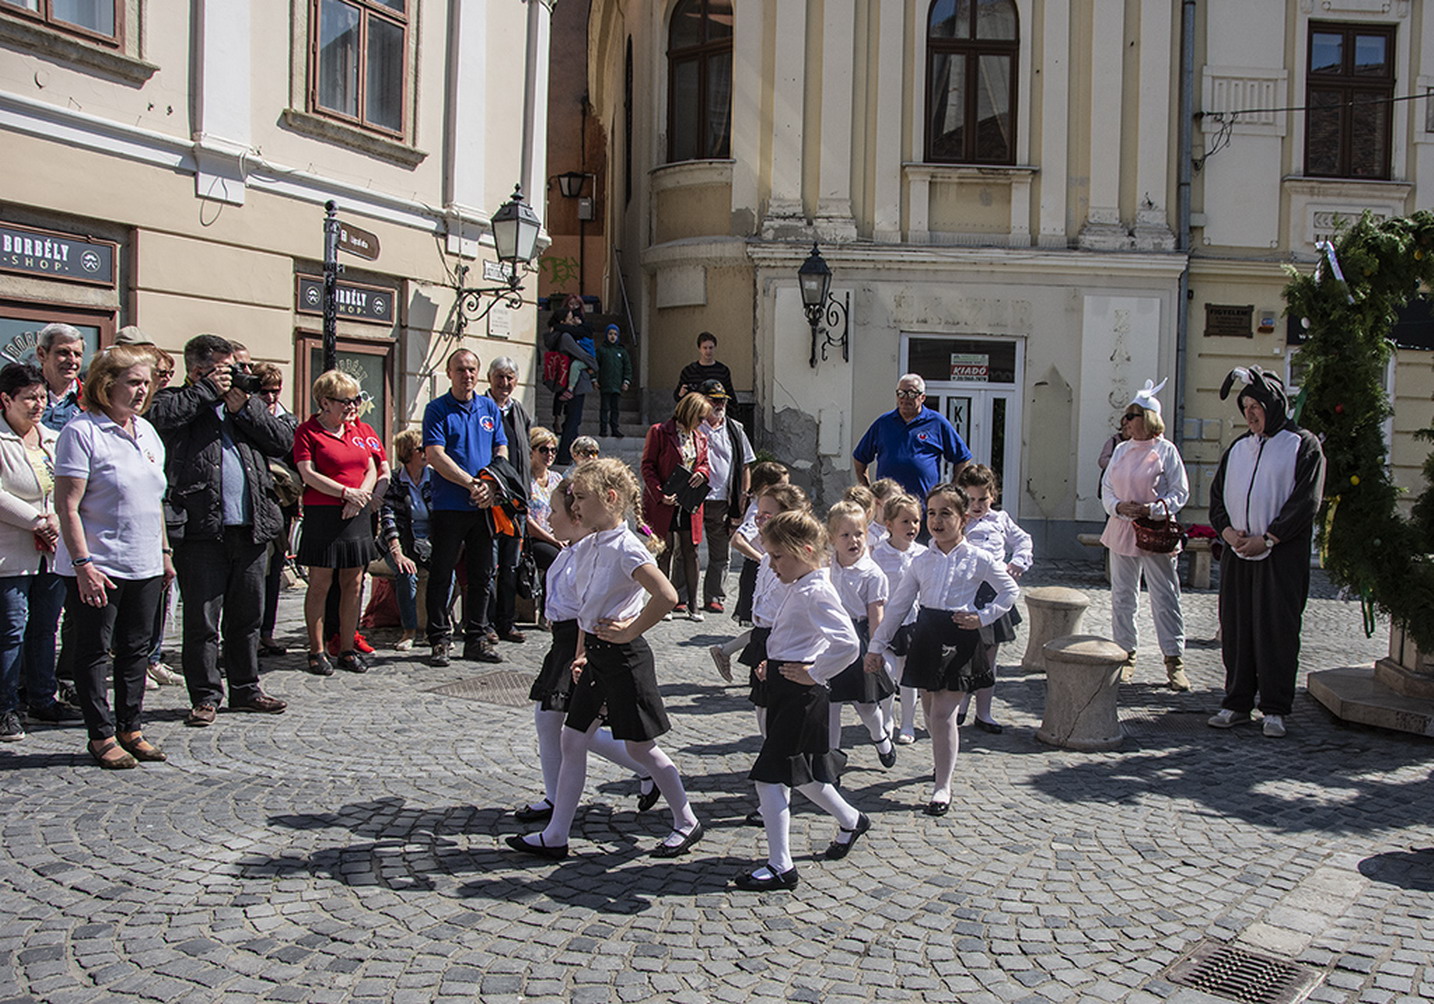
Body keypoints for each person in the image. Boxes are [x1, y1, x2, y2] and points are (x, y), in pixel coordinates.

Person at [505, 459, 701, 861]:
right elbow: (585, 609)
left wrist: (630, 629)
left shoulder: (628, 548)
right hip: (595, 657)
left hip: (626, 659)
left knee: (640, 749)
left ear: (610, 498)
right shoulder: (590, 545)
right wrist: (580, 653)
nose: (574, 506)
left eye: (580, 497)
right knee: (572, 738)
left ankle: (686, 820)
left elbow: (666, 596)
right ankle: (556, 834)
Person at [148, 334, 292, 727]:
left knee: (247, 617)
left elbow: (283, 441)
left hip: (250, 527)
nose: (239, 375)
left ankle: (246, 688)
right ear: (198, 371)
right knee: (202, 620)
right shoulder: (176, 399)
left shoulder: (243, 404)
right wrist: (206, 393)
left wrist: (244, 408)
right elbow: (159, 419)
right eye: (228, 370)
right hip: (200, 529)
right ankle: (206, 695)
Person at [734, 509, 868, 892]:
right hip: (787, 687)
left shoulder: (815, 590)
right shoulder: (800, 584)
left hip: (802, 696)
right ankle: (852, 820)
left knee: (770, 777)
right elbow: (798, 635)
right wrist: (774, 664)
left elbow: (847, 644)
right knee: (803, 773)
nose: (771, 564)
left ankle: (781, 866)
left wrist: (815, 672)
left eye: (777, 556)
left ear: (805, 551)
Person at [53, 345, 174, 768]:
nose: (142, 390)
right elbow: (67, 505)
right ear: (107, 384)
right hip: (98, 563)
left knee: (136, 649)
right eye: (133, 382)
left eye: (146, 383)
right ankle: (100, 734)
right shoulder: (82, 432)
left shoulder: (147, 431)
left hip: (144, 561)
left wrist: (164, 552)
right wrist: (82, 564)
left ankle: (130, 727)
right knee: (93, 650)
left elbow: (153, 500)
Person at [866, 484, 1018, 815]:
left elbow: (1009, 591)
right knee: (930, 708)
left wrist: (982, 617)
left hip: (960, 638)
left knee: (942, 713)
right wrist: (876, 646)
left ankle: (942, 786)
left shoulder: (979, 558)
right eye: (931, 513)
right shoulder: (920, 561)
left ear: (963, 518)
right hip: (927, 635)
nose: (936, 520)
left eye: (945, 513)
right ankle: (942, 757)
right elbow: (898, 606)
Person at [512, 476, 657, 824]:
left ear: (576, 517)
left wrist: (588, 647)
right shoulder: (571, 551)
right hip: (565, 642)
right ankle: (559, 796)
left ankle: (645, 769)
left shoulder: (592, 552)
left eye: (555, 511)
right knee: (558, 723)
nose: (549, 518)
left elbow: (598, 604)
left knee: (570, 727)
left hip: (581, 642)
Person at [1208, 367, 1326, 738]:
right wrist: (1227, 532)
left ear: (1273, 406)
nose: (1250, 414)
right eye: (1245, 408)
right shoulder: (1238, 449)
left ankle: (1275, 708)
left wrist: (1270, 538)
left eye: (1256, 407)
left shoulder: (1302, 445)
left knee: (1276, 629)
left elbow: (1305, 501)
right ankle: (1237, 701)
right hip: (1238, 553)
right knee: (1237, 627)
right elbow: (1217, 498)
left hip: (1279, 557)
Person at [0, 363, 79, 742]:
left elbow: (69, 486)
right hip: (11, 553)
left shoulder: (53, 439)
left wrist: (56, 520)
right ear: (6, 400)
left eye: (42, 397)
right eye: (29, 398)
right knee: (11, 630)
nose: (38, 405)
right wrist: (36, 520)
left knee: (45, 629)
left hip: (52, 550)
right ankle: (5, 707)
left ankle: (42, 698)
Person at [1098, 379, 1191, 690]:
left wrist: (1152, 510)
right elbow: (1107, 488)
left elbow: (1180, 492)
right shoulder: (1121, 450)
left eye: (1131, 416)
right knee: (1123, 596)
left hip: (1154, 531)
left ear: (1147, 418)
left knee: (1165, 595)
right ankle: (1126, 654)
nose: (1125, 422)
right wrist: (1118, 506)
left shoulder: (1166, 451)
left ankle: (1174, 660)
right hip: (1122, 527)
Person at [293, 370, 386, 676]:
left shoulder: (357, 429)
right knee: (320, 583)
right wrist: (345, 493)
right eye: (346, 401)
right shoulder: (308, 431)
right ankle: (316, 650)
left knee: (354, 582)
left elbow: (372, 467)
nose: (352, 406)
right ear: (325, 402)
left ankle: (347, 647)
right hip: (324, 513)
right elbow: (307, 473)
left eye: (356, 400)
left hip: (356, 513)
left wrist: (360, 497)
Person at [423, 349, 509, 667]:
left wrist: (493, 482)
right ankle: (439, 639)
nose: (467, 375)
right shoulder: (437, 409)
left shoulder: (489, 408)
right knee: (442, 572)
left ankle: (476, 637)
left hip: (483, 506)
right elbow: (435, 455)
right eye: (460, 369)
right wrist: (471, 483)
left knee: (482, 575)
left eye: (472, 369)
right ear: (449, 373)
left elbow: (501, 447)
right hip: (450, 505)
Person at [955, 464, 1032, 732]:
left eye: (983, 499)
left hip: (992, 593)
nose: (976, 506)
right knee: (963, 652)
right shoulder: (958, 520)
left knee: (989, 655)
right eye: (971, 500)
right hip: (965, 593)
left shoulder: (1000, 519)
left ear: (993, 496)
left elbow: (1023, 541)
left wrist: (1018, 562)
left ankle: (984, 712)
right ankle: (960, 704)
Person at [824, 500, 896, 768]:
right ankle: (831, 759)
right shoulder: (826, 566)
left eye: (858, 534)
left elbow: (876, 616)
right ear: (832, 539)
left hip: (859, 637)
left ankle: (880, 737)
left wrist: (875, 650)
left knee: (864, 703)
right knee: (830, 703)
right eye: (845, 535)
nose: (853, 540)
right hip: (830, 637)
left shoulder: (872, 573)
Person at [641, 392, 711, 620]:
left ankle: (693, 604)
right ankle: (663, 602)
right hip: (665, 501)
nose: (702, 422)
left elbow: (704, 463)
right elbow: (648, 466)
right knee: (666, 550)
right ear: (690, 413)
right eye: (700, 417)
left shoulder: (700, 437)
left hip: (688, 502)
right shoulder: (659, 432)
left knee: (691, 551)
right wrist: (660, 494)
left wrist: (702, 473)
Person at [852, 374, 972, 505]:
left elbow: (962, 458)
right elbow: (859, 458)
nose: (905, 398)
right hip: (888, 508)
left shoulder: (936, 423)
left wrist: (953, 491)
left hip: (924, 507)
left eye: (911, 394)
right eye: (901, 393)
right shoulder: (883, 423)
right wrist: (868, 492)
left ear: (922, 397)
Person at [689, 379, 753, 615]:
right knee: (687, 550)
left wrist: (743, 496)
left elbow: (746, 464)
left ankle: (714, 596)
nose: (719, 405)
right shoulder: (692, 426)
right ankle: (682, 596)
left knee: (720, 552)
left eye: (722, 401)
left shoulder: (735, 429)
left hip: (723, 499)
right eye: (714, 400)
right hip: (694, 497)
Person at [870, 493, 926, 745]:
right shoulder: (878, 555)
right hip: (886, 623)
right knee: (887, 671)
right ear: (889, 524)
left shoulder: (923, 554)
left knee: (908, 675)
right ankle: (887, 717)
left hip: (913, 623)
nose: (912, 526)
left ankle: (908, 723)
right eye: (905, 521)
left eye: (916, 521)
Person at [485, 357, 533, 644]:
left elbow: (524, 457)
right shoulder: (482, 408)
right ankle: (486, 623)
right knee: (489, 566)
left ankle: (506, 621)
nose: (505, 383)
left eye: (510, 378)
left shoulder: (519, 411)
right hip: (492, 502)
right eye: (499, 377)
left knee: (511, 566)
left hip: (516, 504)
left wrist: (525, 496)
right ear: (490, 379)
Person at [253, 363, 299, 657]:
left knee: (274, 571)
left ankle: (267, 632)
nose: (270, 397)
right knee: (254, 571)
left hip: (281, 504)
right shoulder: (246, 416)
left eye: (275, 391)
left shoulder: (288, 420)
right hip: (255, 503)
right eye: (264, 391)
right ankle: (249, 634)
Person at [378, 429, 432, 652]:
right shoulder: (394, 481)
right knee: (406, 572)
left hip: (428, 542)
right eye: (421, 448)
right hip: (400, 541)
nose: (427, 452)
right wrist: (397, 552)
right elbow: (388, 518)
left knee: (446, 572)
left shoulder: (434, 478)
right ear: (408, 453)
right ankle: (409, 630)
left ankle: (434, 628)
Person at [544, 294, 598, 466]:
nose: (572, 319)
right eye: (569, 318)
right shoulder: (566, 337)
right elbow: (581, 354)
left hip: (564, 380)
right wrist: (593, 363)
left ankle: (564, 454)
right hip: (574, 384)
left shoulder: (557, 335)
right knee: (573, 420)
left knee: (570, 420)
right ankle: (565, 456)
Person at [526, 426, 565, 584]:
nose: (549, 454)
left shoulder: (557, 479)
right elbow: (526, 521)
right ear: (532, 451)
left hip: (558, 535)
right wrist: (554, 541)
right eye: (544, 450)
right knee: (557, 560)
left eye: (553, 450)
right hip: (534, 538)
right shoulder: (525, 480)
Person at [35, 323, 86, 433]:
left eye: (77, 354)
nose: (72, 360)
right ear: (41, 354)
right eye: (63, 353)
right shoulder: (19, 397)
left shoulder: (92, 399)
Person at [674, 331, 735, 402]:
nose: (708, 351)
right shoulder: (689, 371)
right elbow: (677, 396)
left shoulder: (723, 370)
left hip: (716, 407)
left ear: (715, 348)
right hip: (695, 407)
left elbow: (730, 395)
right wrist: (681, 394)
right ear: (699, 349)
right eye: (705, 348)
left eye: (711, 348)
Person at [595, 323, 632, 437]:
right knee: (604, 408)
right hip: (605, 384)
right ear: (606, 335)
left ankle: (615, 428)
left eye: (615, 334)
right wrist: (594, 379)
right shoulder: (601, 350)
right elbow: (596, 366)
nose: (612, 336)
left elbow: (627, 367)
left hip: (617, 385)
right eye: (610, 334)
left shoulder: (622, 351)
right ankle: (603, 429)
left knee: (615, 408)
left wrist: (626, 380)